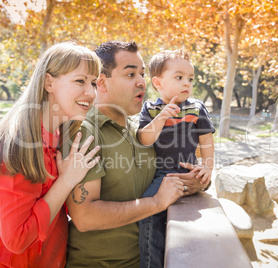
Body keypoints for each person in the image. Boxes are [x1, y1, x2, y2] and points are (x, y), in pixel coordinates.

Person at [65, 41, 209, 268]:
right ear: (101, 82)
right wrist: (156, 202)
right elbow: (84, 217)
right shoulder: (84, 131)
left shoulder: (143, 129)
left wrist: (196, 181)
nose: (142, 82)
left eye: (141, 74)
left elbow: (182, 160)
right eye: (130, 74)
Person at [0, 42, 102, 267]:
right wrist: (66, 181)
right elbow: (16, 240)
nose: (91, 92)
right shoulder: (21, 145)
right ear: (49, 82)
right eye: (80, 81)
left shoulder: (58, 137)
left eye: (94, 83)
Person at [137, 49, 215, 268]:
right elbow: (144, 139)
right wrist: (161, 118)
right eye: (179, 77)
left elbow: (206, 140)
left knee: (188, 224)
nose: (186, 83)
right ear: (158, 82)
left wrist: (207, 167)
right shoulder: (151, 109)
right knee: (149, 214)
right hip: (161, 174)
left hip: (188, 170)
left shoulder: (196, 107)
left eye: (190, 78)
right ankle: (152, 263)